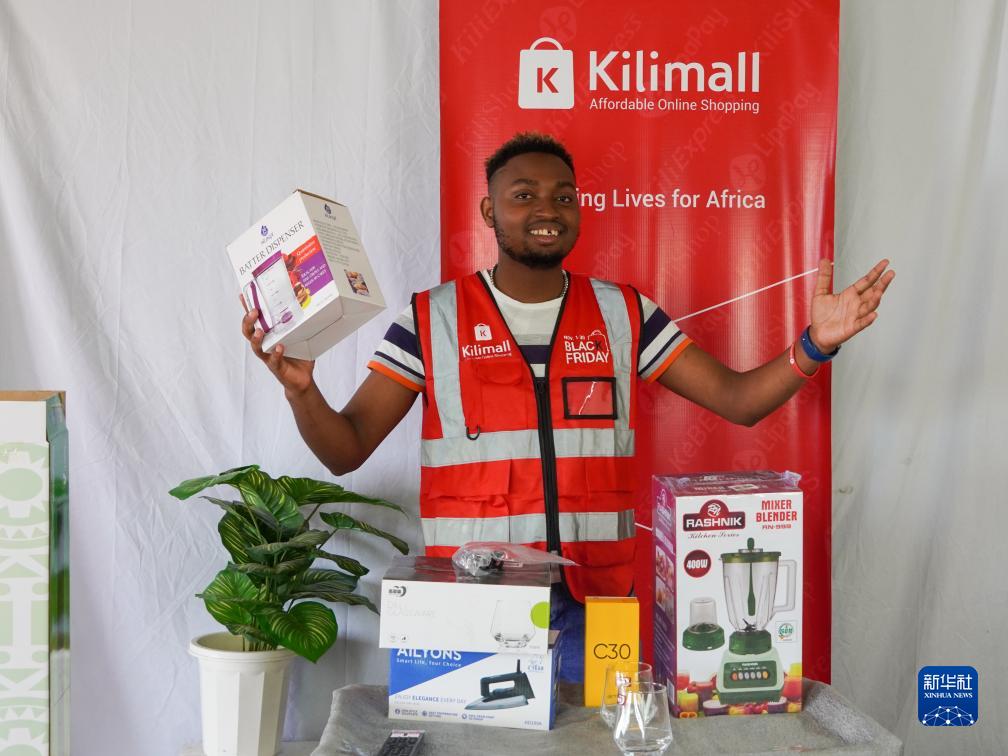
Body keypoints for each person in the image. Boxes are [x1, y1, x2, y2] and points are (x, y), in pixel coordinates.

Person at [241, 132, 894, 682]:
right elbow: (345, 449)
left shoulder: (623, 312)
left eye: (563, 196)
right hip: (472, 605)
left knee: (598, 744)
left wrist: (815, 344)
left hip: (597, 604)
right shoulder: (431, 318)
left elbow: (740, 400)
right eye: (523, 195)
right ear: (489, 210)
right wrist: (302, 390)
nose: (547, 209)